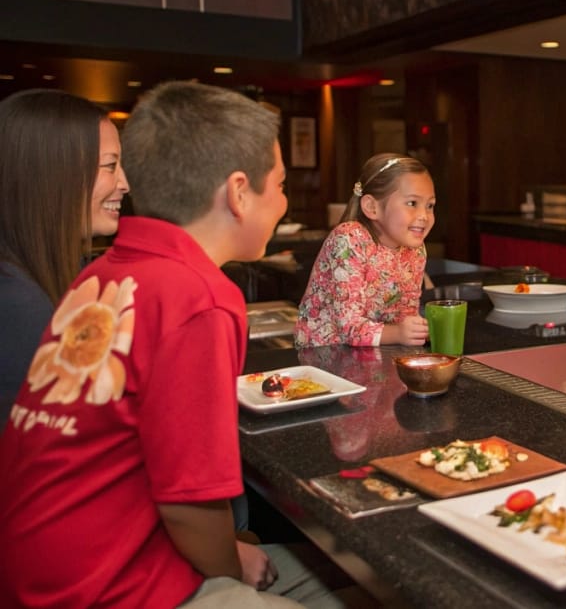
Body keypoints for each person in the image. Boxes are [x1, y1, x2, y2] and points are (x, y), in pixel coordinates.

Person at [0, 82, 345, 608]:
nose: (285, 201)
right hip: (102, 588)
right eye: (278, 184)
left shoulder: (103, 272)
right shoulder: (200, 296)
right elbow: (189, 504)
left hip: (40, 571)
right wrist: (232, 562)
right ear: (236, 192)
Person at [0, 89, 129, 423]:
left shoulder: (56, 276)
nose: (124, 183)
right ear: (55, 175)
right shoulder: (19, 304)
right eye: (110, 166)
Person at [295, 153, 435, 348]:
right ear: (371, 207)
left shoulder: (416, 249)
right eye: (412, 203)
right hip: (325, 357)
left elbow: (406, 313)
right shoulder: (349, 240)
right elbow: (348, 328)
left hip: (375, 355)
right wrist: (399, 333)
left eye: (430, 206)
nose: (424, 215)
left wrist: (414, 330)